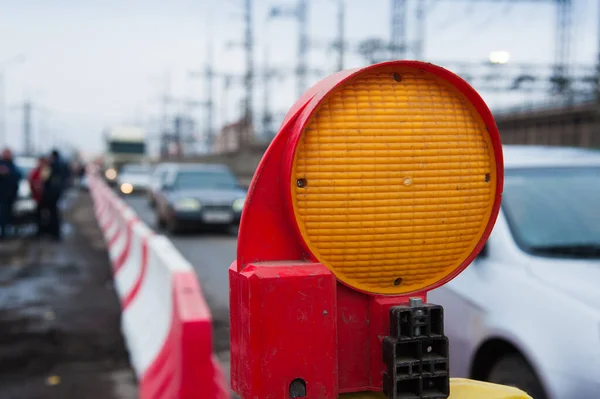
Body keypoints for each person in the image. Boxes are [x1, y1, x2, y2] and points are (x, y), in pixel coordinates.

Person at [41, 150, 69, 240]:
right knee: (55, 213)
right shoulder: (62, 165)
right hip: (57, 192)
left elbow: (44, 177)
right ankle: (55, 233)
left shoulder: (51, 165)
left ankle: (53, 233)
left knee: (52, 213)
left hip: (51, 193)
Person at [0, 148, 22, 240]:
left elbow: (18, 175)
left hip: (10, 195)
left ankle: (7, 232)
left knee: (8, 214)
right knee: (2, 214)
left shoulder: (12, 165)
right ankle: (3, 232)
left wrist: (9, 173)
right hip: (2, 195)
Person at [28, 156, 50, 236]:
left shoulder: (46, 170)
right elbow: (30, 179)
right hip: (37, 197)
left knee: (45, 214)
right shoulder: (35, 170)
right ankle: (39, 230)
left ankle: (44, 230)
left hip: (45, 196)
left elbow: (46, 181)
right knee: (38, 215)